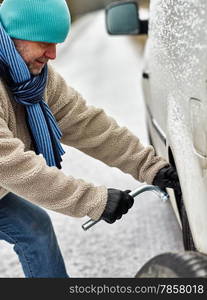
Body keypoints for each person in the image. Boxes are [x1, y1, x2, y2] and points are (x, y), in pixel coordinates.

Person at [0, 0, 181, 278]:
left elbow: (88, 124)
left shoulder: (37, 82)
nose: (52, 54)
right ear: (13, 35)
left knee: (35, 230)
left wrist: (149, 166)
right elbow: (10, 165)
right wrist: (92, 199)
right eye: (44, 42)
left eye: (58, 43)